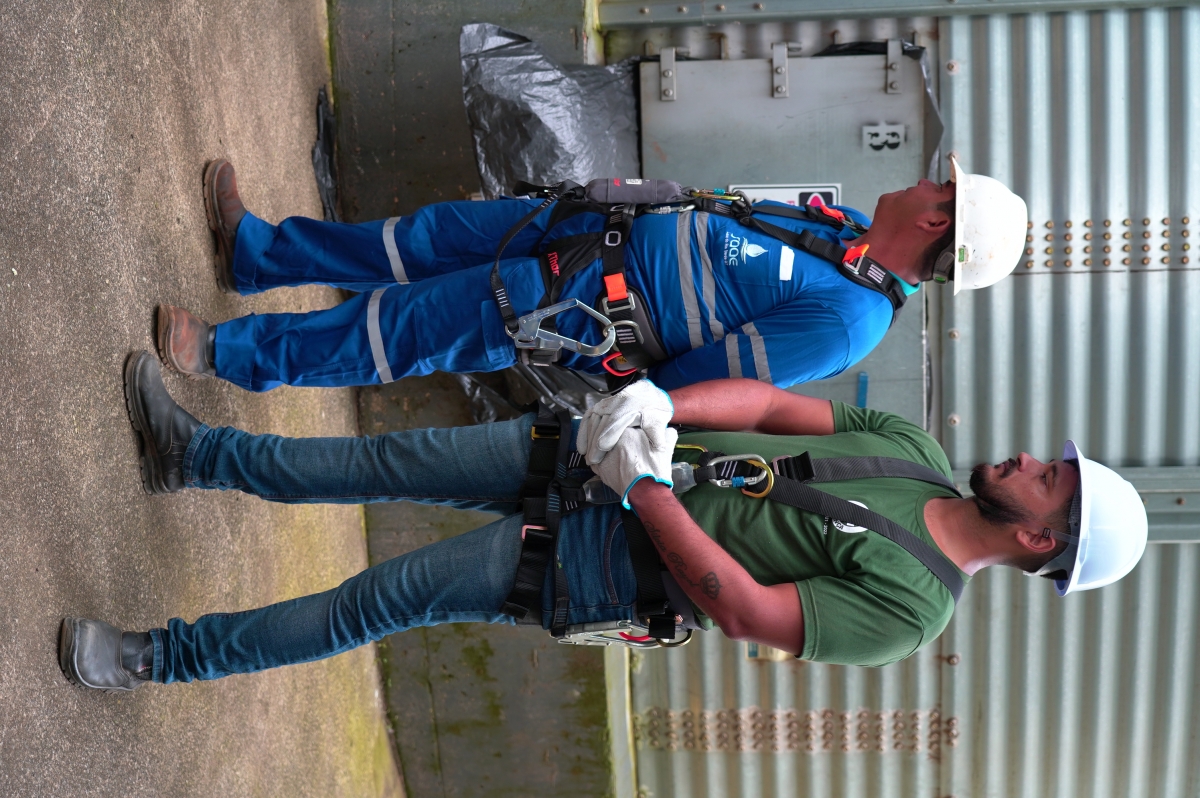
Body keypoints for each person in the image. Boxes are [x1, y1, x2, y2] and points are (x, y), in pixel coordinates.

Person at [59, 353, 1146, 691]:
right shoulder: (910, 451)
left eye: (1049, 480)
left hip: (603, 554)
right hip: (605, 458)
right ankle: (197, 455)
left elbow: (743, 606)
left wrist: (647, 489)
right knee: (387, 459)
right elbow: (775, 408)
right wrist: (667, 405)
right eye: (1049, 458)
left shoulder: (910, 613)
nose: (1028, 460)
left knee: (376, 599)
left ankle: (161, 659)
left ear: (1040, 540)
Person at [154, 158, 1028, 392]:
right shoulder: (839, 231)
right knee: (421, 238)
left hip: (580, 306)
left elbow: (698, 384)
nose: (926, 179)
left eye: (940, 186)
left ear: (938, 221)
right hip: (585, 230)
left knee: (408, 329)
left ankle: (231, 355)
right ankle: (262, 255)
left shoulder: (848, 321)